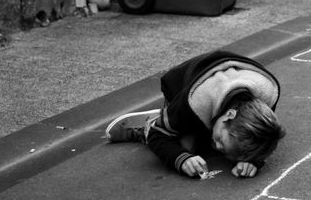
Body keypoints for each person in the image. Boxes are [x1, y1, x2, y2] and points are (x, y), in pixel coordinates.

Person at [106, 50, 285, 180]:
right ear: (229, 115)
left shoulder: (268, 94)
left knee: (215, 143)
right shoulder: (194, 103)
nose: (218, 148)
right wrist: (181, 159)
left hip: (223, 76)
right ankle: (150, 124)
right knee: (187, 147)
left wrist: (252, 160)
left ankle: (174, 122)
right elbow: (157, 137)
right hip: (180, 85)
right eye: (221, 141)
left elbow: (263, 136)